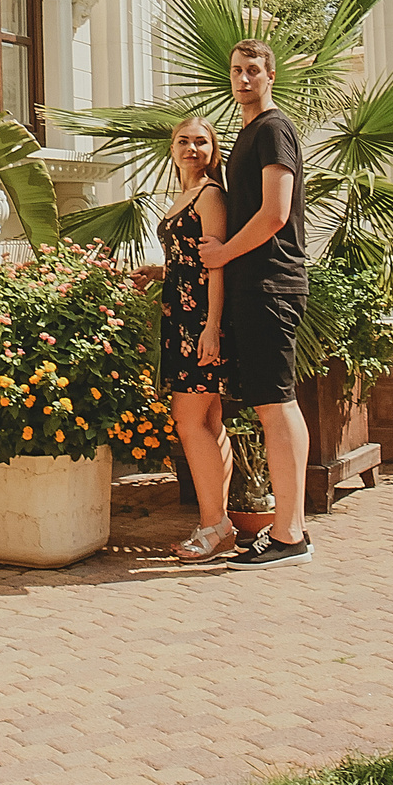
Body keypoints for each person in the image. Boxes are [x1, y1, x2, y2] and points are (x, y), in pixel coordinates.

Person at [198, 39, 314, 568]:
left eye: (253, 71)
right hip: (252, 286)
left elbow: (274, 214)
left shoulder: (272, 129)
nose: (243, 79)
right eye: (236, 70)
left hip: (272, 283)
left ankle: (291, 534)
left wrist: (222, 251)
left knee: (277, 402)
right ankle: (288, 531)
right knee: (270, 404)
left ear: (271, 75)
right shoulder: (248, 133)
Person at [136, 115, 235, 562]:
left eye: (201, 141)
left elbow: (217, 265)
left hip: (200, 322)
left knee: (188, 419)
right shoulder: (183, 196)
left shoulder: (211, 194)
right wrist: (160, 273)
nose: (191, 148)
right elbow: (187, 259)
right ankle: (219, 525)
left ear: (213, 149)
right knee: (209, 422)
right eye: (183, 141)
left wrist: (212, 327)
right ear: (172, 148)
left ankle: (215, 525)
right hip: (179, 317)